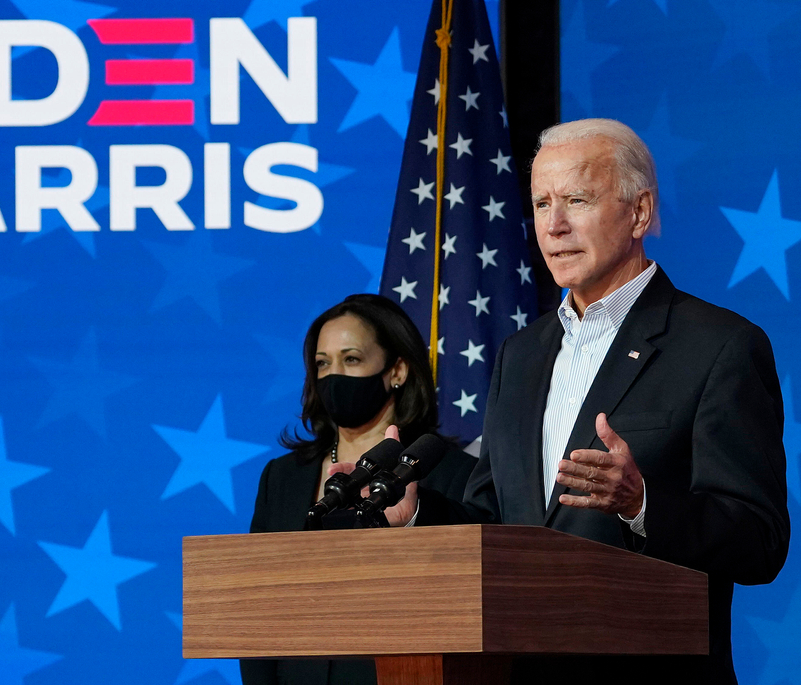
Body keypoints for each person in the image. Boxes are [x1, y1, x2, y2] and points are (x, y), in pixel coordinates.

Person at [404, 118, 790, 684]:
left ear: (639, 212)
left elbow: (759, 542)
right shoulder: (521, 355)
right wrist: (415, 513)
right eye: (540, 204)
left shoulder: (719, 347)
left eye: (577, 200)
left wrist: (641, 504)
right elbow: (495, 521)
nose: (554, 225)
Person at [241, 293, 476, 685]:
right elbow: (258, 607)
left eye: (351, 359)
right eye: (322, 363)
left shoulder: (455, 473)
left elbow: (463, 601)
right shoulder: (281, 478)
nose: (334, 375)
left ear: (397, 369)